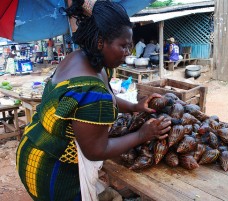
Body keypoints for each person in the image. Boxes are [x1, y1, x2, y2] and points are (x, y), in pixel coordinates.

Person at [16, 1, 171, 201]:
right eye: (122, 46)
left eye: (129, 46)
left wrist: (134, 106)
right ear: (100, 42)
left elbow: (107, 97)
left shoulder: (81, 59)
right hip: (51, 170)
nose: (127, 53)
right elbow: (97, 151)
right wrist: (143, 134)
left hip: (35, 144)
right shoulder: (91, 90)